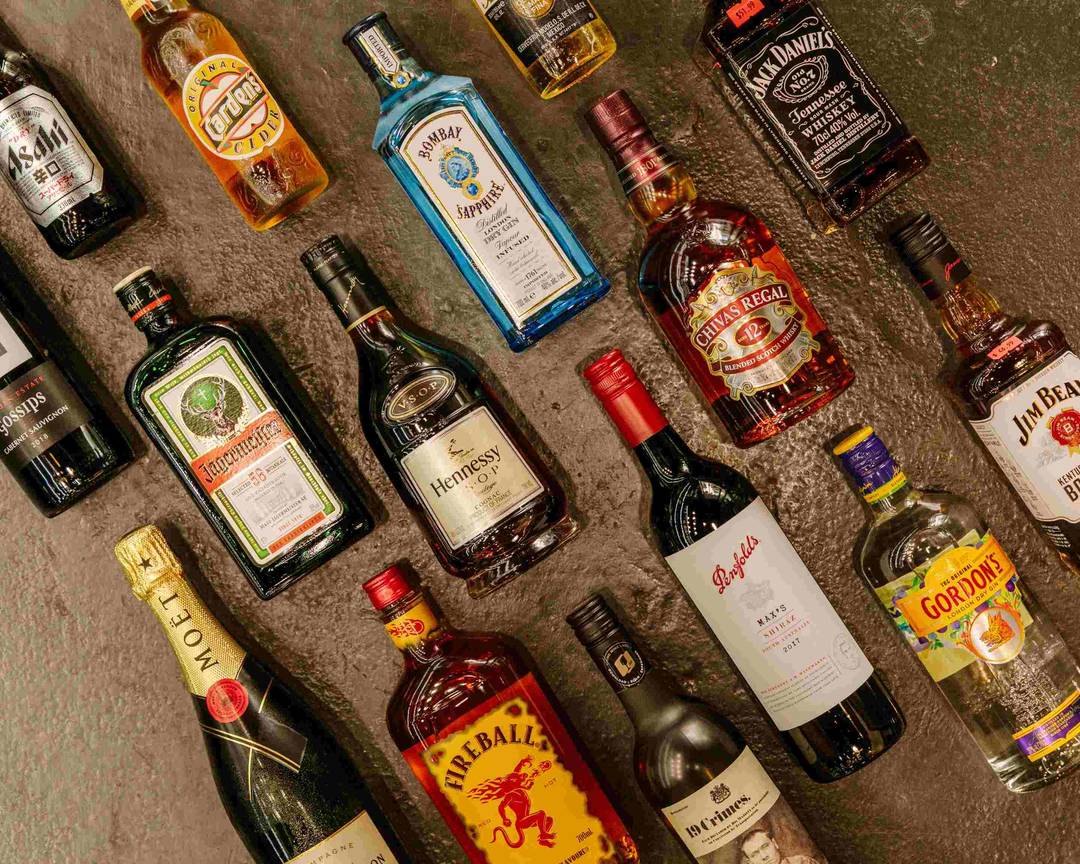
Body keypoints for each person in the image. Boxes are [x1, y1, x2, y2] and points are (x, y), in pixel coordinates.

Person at [739, 828, 822, 864]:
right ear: (750, 862)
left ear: (775, 843)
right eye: (755, 854)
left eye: (765, 847)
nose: (764, 856)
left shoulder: (802, 862)